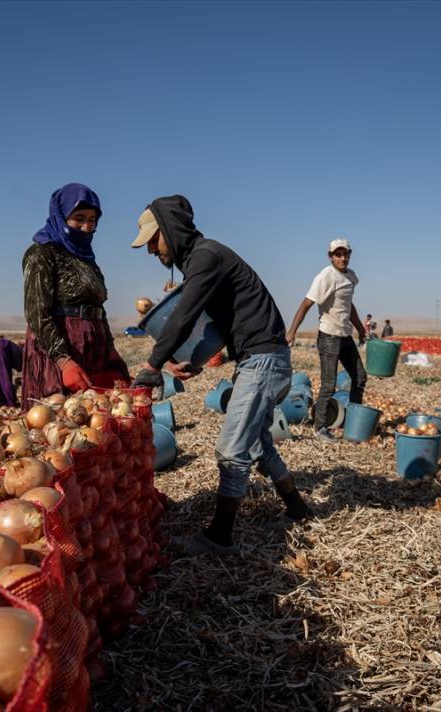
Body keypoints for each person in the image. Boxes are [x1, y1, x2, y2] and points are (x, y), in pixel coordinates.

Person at [129, 195, 312, 556]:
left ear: (170, 229)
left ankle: (220, 537)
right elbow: (218, 326)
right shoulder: (204, 259)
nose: (151, 250)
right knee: (257, 443)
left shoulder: (206, 257)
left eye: (153, 240)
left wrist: (152, 365)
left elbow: (183, 316)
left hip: (263, 362)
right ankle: (297, 507)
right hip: (261, 359)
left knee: (230, 450)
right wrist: (192, 360)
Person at [21, 183, 130, 402]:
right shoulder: (42, 253)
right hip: (60, 347)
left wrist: (110, 350)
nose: (87, 226)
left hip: (93, 347)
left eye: (92, 220)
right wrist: (63, 361)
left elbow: (98, 308)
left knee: (97, 413)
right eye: (79, 218)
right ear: (61, 216)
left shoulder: (87, 259)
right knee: (60, 414)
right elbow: (37, 313)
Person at [285, 239, 367, 444]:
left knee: (360, 378)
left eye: (345, 254)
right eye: (338, 254)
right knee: (329, 385)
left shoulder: (350, 276)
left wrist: (360, 328)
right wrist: (292, 332)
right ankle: (320, 428)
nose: (342, 258)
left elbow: (349, 305)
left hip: (345, 335)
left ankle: (353, 423)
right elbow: (306, 304)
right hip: (329, 335)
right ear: (330, 256)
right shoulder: (325, 277)